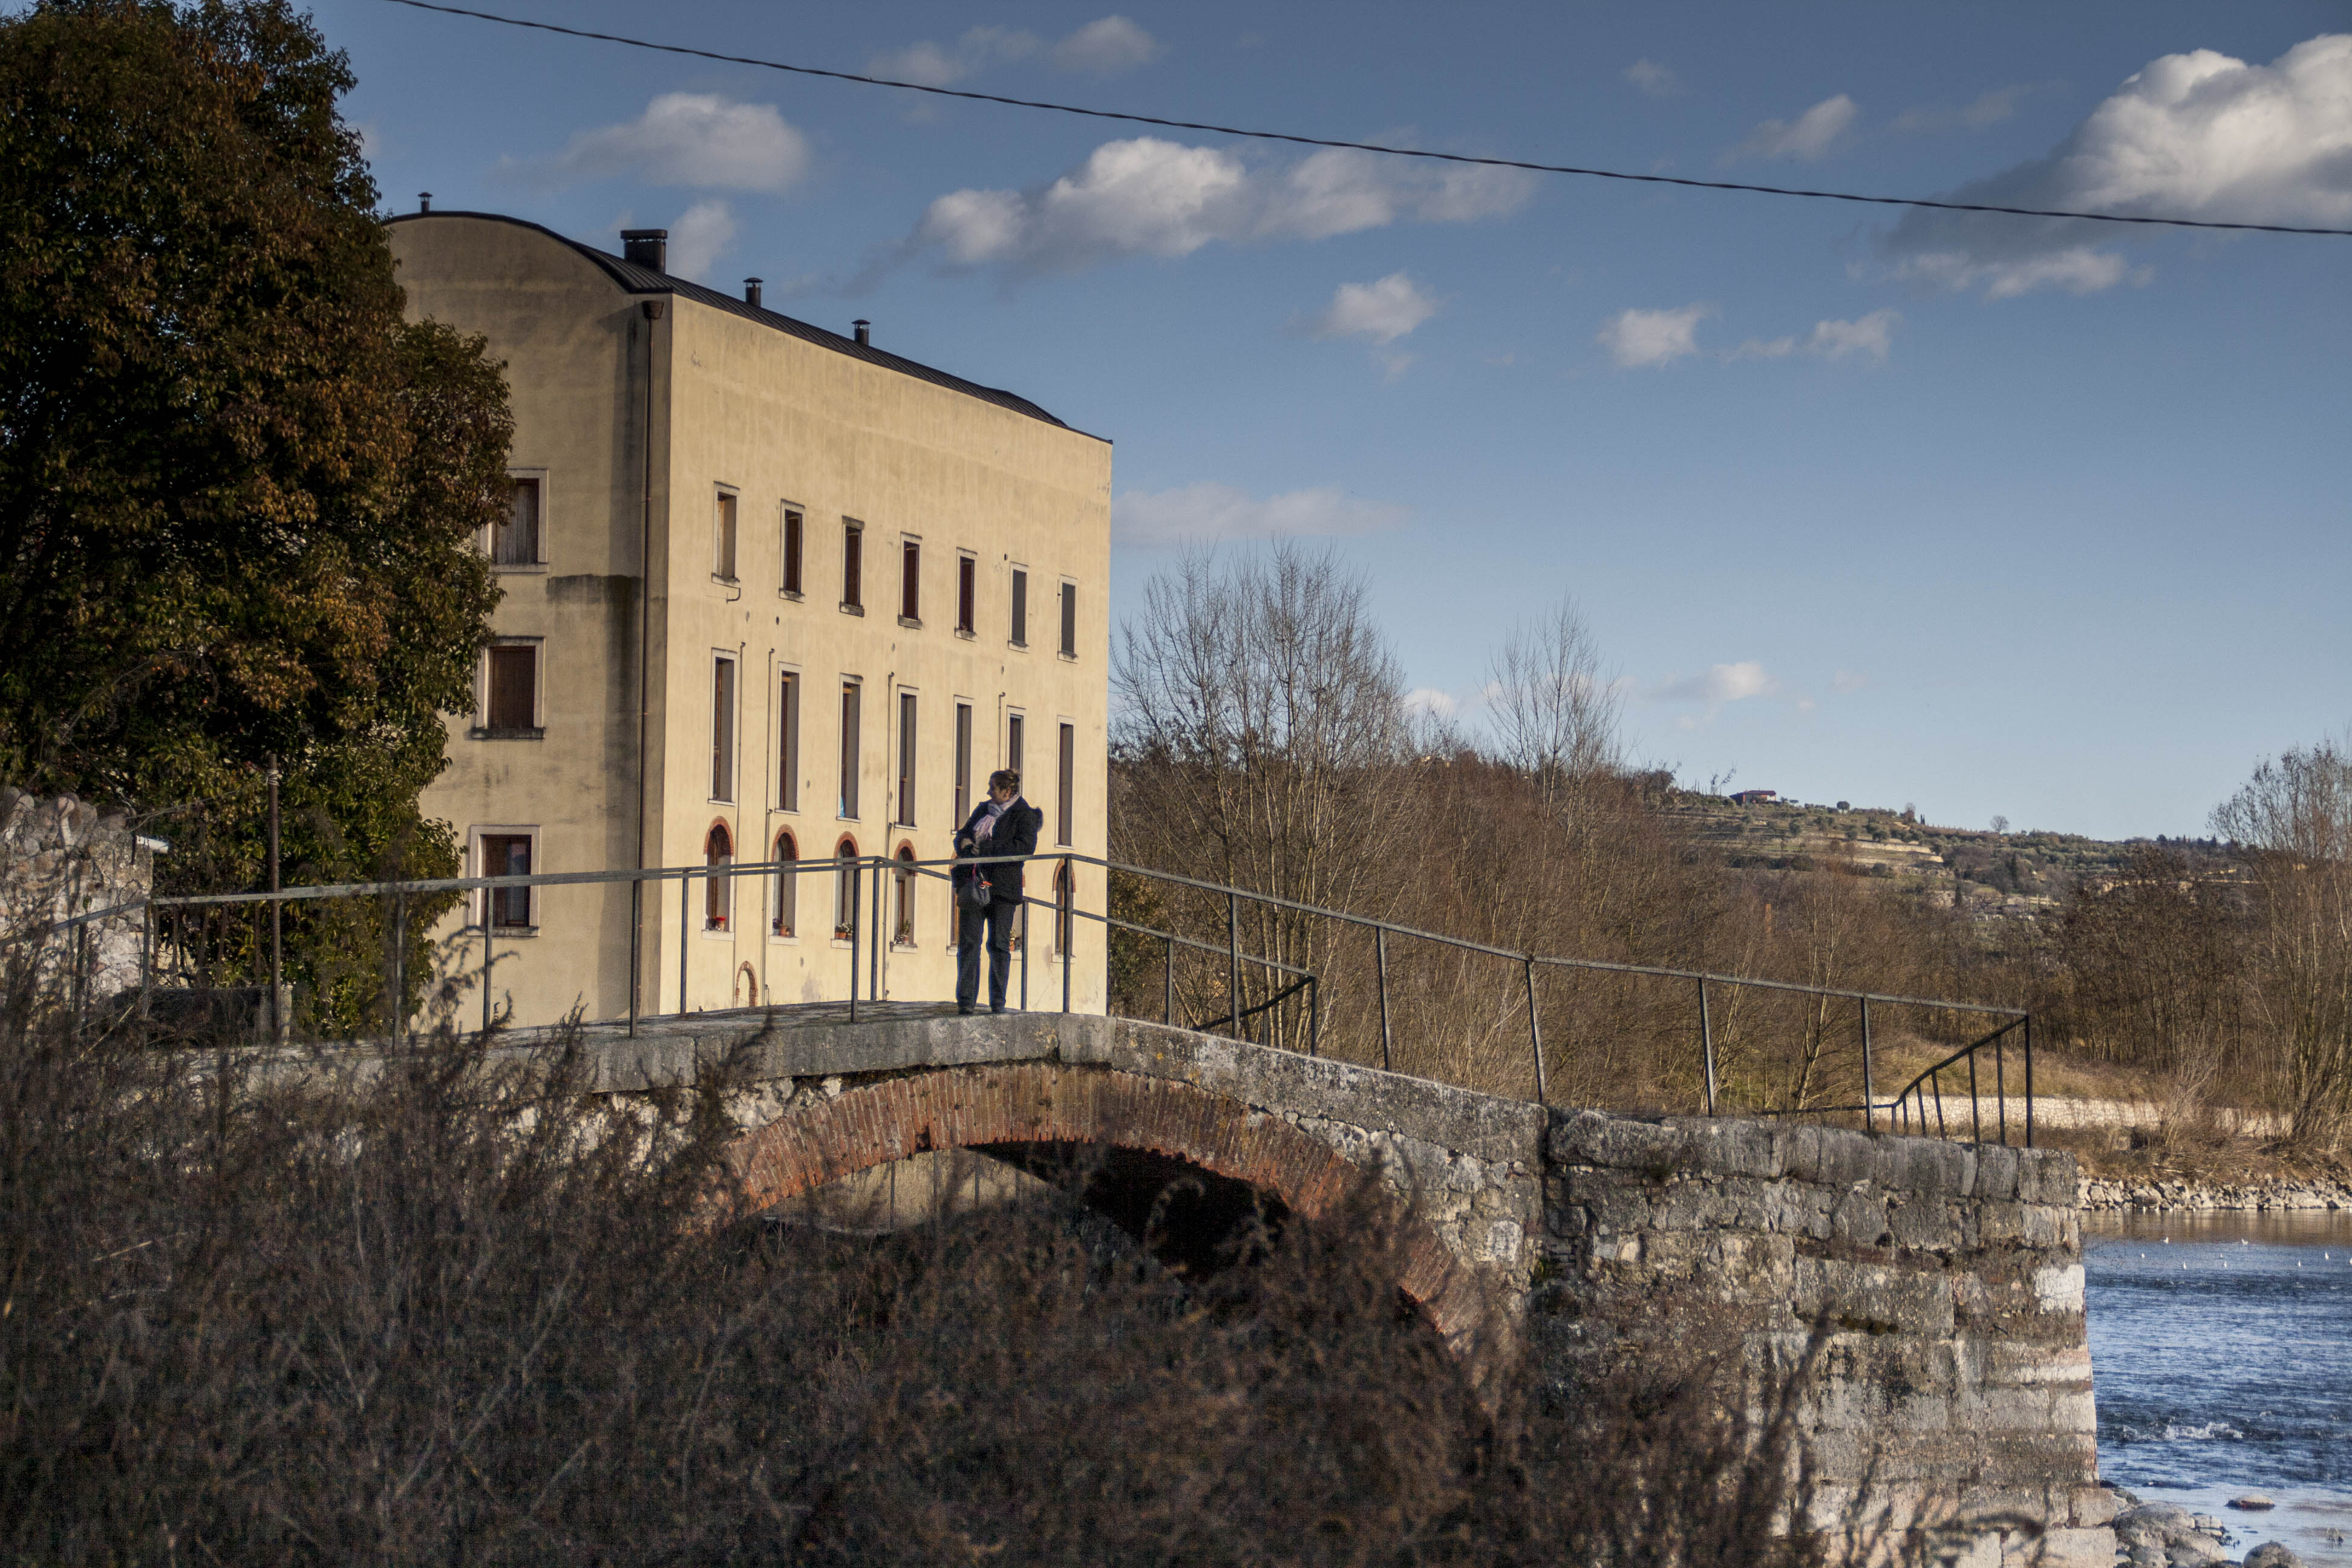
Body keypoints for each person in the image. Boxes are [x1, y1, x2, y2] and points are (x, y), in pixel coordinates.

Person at [952, 769, 1041, 1014]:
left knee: (999, 945)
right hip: (974, 885)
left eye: (993, 788)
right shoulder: (983, 809)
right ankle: (966, 1002)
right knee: (969, 943)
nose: (989, 792)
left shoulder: (1025, 815)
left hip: (1003, 889)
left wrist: (987, 849)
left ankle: (997, 1003)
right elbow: (963, 834)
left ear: (1007, 792)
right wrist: (966, 844)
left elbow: (1024, 848)